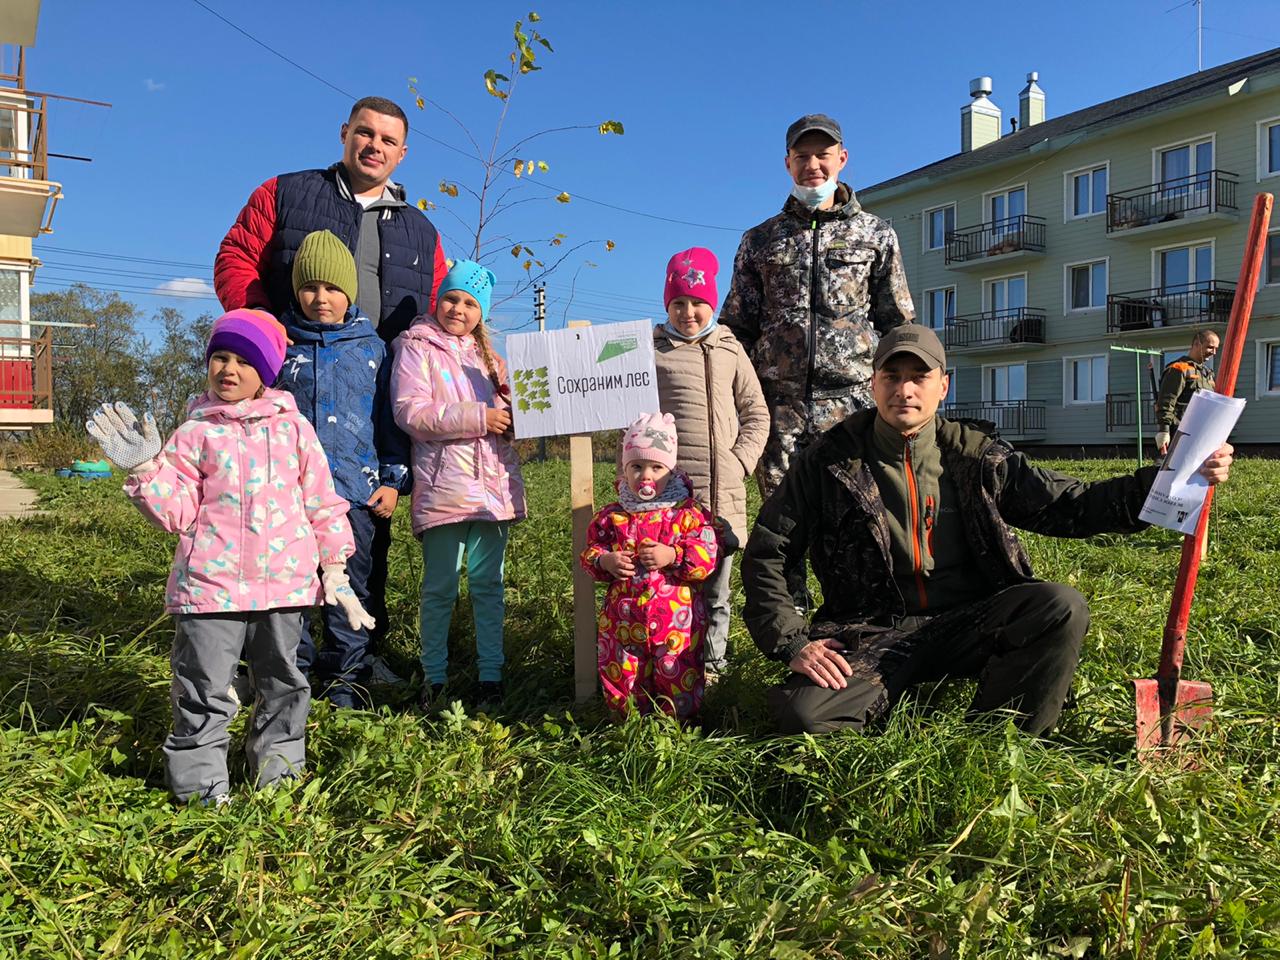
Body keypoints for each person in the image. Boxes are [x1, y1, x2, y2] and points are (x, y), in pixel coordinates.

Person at [740, 324, 1235, 737]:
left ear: (943, 386)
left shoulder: (975, 454)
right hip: (869, 628)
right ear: (873, 384)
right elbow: (771, 551)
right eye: (892, 376)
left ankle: (999, 739)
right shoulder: (829, 461)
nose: (904, 390)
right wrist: (792, 642)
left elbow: (1071, 506)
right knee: (804, 716)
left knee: (1059, 606)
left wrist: (1173, 476)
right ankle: (885, 691)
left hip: (970, 621)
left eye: (919, 377)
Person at [85, 310, 374, 805]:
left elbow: (322, 503)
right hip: (209, 589)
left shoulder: (294, 430)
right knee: (203, 686)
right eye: (220, 356)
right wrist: (146, 468)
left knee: (283, 680)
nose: (229, 369)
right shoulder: (194, 433)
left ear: (266, 372)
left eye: (244, 360)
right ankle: (201, 789)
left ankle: (278, 777)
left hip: (283, 586)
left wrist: (336, 568)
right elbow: (175, 512)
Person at [215, 96, 447, 662]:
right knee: (279, 529)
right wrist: (266, 323)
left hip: (372, 400)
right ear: (344, 134)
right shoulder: (286, 192)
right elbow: (236, 256)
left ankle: (358, 656)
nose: (375, 146)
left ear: (403, 152)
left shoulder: (420, 229)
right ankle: (278, 656)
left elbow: (440, 307)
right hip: (291, 389)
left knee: (365, 533)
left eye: (388, 140)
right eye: (365, 133)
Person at [719, 113, 915, 610]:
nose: (812, 165)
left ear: (841, 160)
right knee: (783, 523)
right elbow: (735, 331)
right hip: (777, 409)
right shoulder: (760, 241)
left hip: (849, 407)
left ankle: (854, 619)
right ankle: (790, 632)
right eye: (801, 156)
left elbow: (898, 327)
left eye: (822, 154)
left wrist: (903, 400)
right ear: (787, 163)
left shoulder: (877, 235)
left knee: (852, 514)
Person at [273, 230, 412, 708]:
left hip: (355, 493)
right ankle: (297, 682)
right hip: (289, 498)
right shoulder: (279, 347)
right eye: (310, 287)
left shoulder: (373, 348)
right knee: (296, 591)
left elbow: (390, 420)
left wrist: (393, 480)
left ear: (349, 292)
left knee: (351, 589)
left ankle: (347, 684)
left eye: (332, 288)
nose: (321, 298)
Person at [390, 260, 526, 709]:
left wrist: (514, 422)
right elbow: (411, 412)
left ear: (481, 313)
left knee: (489, 585)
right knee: (440, 587)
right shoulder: (416, 347)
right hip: (445, 488)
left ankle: (492, 676)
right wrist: (481, 418)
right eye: (451, 297)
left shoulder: (492, 360)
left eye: (470, 303)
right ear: (438, 298)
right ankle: (435, 678)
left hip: (493, 493)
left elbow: (519, 409)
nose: (459, 309)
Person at [651, 247, 769, 679]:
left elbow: (757, 412)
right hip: (669, 502)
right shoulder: (650, 349)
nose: (688, 312)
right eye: (678, 303)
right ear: (667, 303)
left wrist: (739, 462)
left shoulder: (729, 348)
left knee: (717, 593)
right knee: (674, 592)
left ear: (712, 304)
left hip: (722, 499)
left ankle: (714, 672)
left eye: (698, 303)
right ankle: (672, 671)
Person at [581, 413, 720, 720]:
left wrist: (673, 555)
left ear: (670, 471)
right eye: (637, 466)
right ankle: (630, 725)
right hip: (622, 622)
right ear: (625, 468)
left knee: (677, 672)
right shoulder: (612, 516)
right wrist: (605, 561)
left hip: (676, 624)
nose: (646, 475)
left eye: (656, 467)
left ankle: (677, 726)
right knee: (624, 674)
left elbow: (706, 556)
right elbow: (590, 553)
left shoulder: (689, 513)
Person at [1155, 329, 1219, 455]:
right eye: (1210, 347)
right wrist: (1164, 430)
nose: (1214, 352)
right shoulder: (1179, 368)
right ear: (1196, 344)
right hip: (1180, 432)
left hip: (1201, 430)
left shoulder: (1208, 374)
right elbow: (1166, 402)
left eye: (1216, 348)